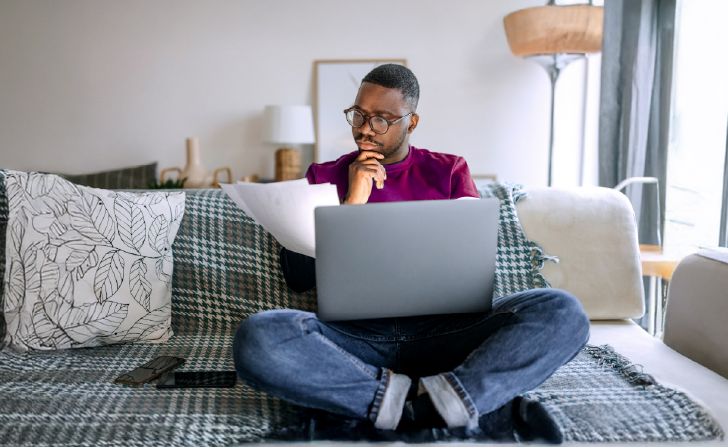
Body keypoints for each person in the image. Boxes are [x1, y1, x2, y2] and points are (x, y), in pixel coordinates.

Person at [232, 64, 589, 442]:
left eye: (382, 119)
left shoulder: (449, 171)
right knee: (258, 336)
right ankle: (427, 403)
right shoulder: (323, 176)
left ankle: (407, 405)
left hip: (446, 334)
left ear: (412, 122)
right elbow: (298, 276)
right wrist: (352, 202)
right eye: (359, 115)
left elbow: (472, 261)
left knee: (563, 311)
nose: (366, 128)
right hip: (354, 341)